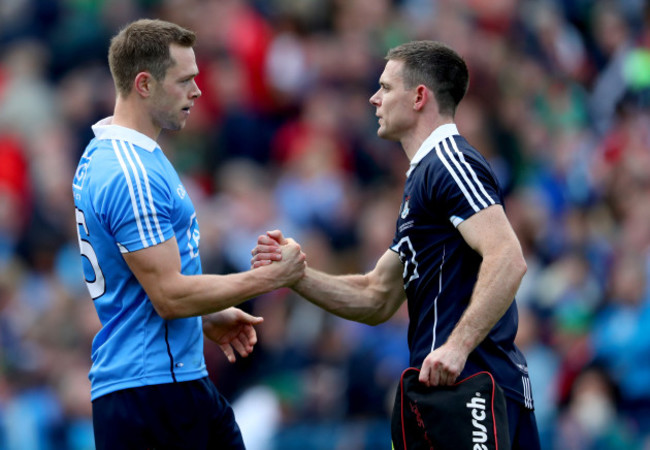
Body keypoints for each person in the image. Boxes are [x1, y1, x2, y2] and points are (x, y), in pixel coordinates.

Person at [252, 40, 541, 449]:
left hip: (474, 385)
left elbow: (508, 258)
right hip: (448, 390)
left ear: (419, 96)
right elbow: (376, 296)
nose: (374, 98)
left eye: (386, 87)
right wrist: (296, 276)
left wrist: (456, 348)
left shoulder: (448, 162)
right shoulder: (422, 179)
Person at [72, 19, 305, 449]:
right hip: (154, 393)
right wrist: (272, 277)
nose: (198, 91)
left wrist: (204, 316)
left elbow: (146, 289)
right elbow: (169, 294)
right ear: (144, 84)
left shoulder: (117, 155)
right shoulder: (129, 171)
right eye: (185, 80)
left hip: (169, 381)